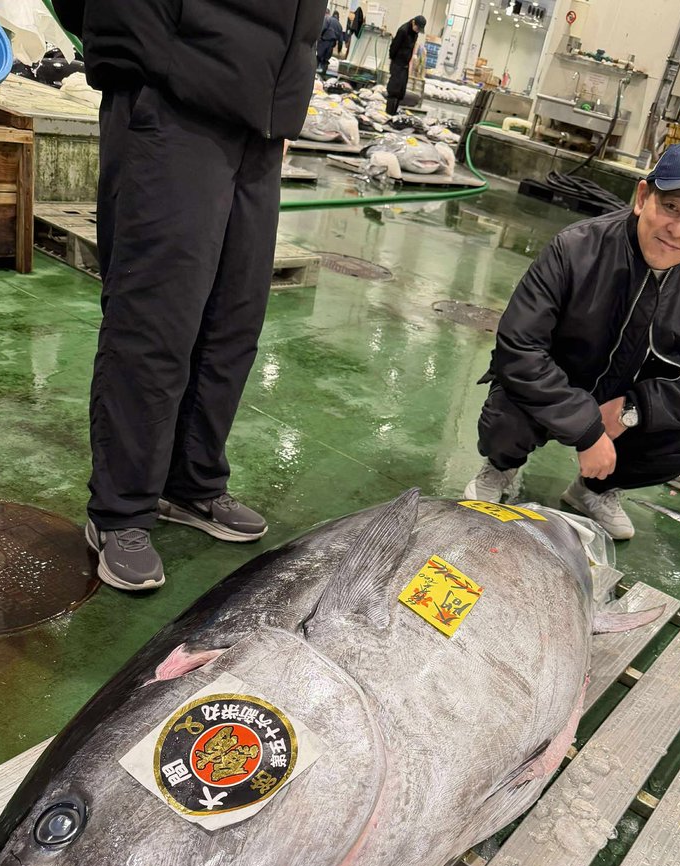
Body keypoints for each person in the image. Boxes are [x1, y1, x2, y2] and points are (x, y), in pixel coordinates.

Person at [50, 0, 321, 591]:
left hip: (263, 114)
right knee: (155, 320)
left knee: (233, 321)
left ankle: (190, 484)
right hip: (174, 92)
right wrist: (141, 46)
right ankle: (121, 510)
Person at [463, 141, 680, 540]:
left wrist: (637, 408)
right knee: (508, 413)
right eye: (671, 207)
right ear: (643, 196)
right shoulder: (574, 249)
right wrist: (586, 429)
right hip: (555, 384)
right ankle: (501, 467)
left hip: (622, 401)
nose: (678, 230)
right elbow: (519, 347)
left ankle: (593, 490)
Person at [386, 14, 426, 116]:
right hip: (397, 64)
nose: (418, 31)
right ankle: (389, 114)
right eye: (417, 28)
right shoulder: (403, 31)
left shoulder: (415, 33)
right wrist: (395, 61)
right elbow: (394, 47)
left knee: (400, 92)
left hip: (405, 65)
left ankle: (394, 114)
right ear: (413, 22)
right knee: (393, 90)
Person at [318, 10, 344, 79]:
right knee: (326, 59)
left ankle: (315, 74)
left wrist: (318, 37)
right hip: (331, 44)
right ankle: (323, 75)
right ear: (338, 17)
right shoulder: (340, 26)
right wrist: (339, 50)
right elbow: (341, 40)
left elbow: (323, 28)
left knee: (318, 57)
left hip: (324, 41)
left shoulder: (328, 19)